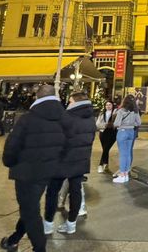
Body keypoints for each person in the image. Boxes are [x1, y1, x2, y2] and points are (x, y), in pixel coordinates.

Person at [0, 84, 67, 252]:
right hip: (49, 171)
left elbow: (12, 146)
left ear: (37, 97)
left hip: (27, 172)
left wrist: (9, 162)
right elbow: (67, 145)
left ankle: (39, 248)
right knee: (30, 206)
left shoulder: (28, 118)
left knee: (30, 211)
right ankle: (14, 239)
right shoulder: (63, 118)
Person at [43, 91, 96, 235]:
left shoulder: (65, 117)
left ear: (75, 102)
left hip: (62, 160)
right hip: (81, 160)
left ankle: (48, 224)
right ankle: (71, 224)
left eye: (70, 100)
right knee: (76, 191)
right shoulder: (91, 118)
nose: (68, 103)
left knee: (52, 192)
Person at [112, 95, 141, 183]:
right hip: (131, 132)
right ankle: (126, 175)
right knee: (128, 153)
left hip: (123, 132)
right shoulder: (135, 111)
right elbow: (139, 123)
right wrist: (131, 125)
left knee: (122, 154)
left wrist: (122, 123)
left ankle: (122, 175)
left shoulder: (121, 111)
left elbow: (116, 123)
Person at [96, 100, 117, 172]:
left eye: (110, 105)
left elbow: (117, 123)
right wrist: (105, 125)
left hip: (112, 133)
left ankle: (101, 165)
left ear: (112, 105)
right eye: (107, 105)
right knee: (106, 149)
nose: (108, 106)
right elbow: (97, 124)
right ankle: (105, 165)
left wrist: (112, 125)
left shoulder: (116, 113)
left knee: (106, 149)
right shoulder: (102, 114)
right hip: (103, 133)